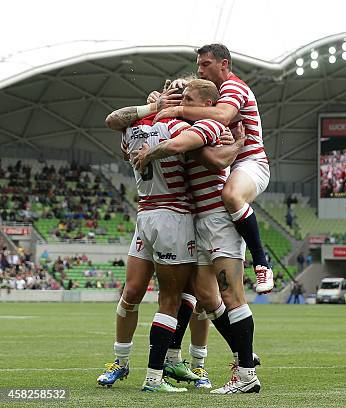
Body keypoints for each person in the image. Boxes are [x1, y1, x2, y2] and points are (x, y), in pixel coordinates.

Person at [136, 79, 261, 394]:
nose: (184, 103)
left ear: (206, 104)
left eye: (189, 99)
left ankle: (246, 374)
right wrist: (159, 102)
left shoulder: (207, 124)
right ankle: (243, 353)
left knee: (232, 296)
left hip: (218, 218)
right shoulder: (187, 123)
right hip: (199, 220)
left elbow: (212, 159)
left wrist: (150, 152)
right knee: (206, 297)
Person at [97, 82, 224, 392]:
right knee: (153, 293)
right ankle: (133, 365)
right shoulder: (180, 127)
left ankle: (192, 364)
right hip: (168, 216)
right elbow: (215, 158)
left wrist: (154, 109)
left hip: (165, 216)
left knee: (186, 295)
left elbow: (113, 120)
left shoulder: (137, 128)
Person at [153, 43, 273, 294]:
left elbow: (223, 115)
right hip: (227, 164)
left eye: (205, 64)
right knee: (202, 296)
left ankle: (262, 263)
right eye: (198, 65)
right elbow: (183, 96)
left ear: (224, 64)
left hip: (251, 162)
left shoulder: (233, 87)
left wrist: (178, 109)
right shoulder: (210, 93)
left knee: (231, 195)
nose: (200, 70)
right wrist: (159, 101)